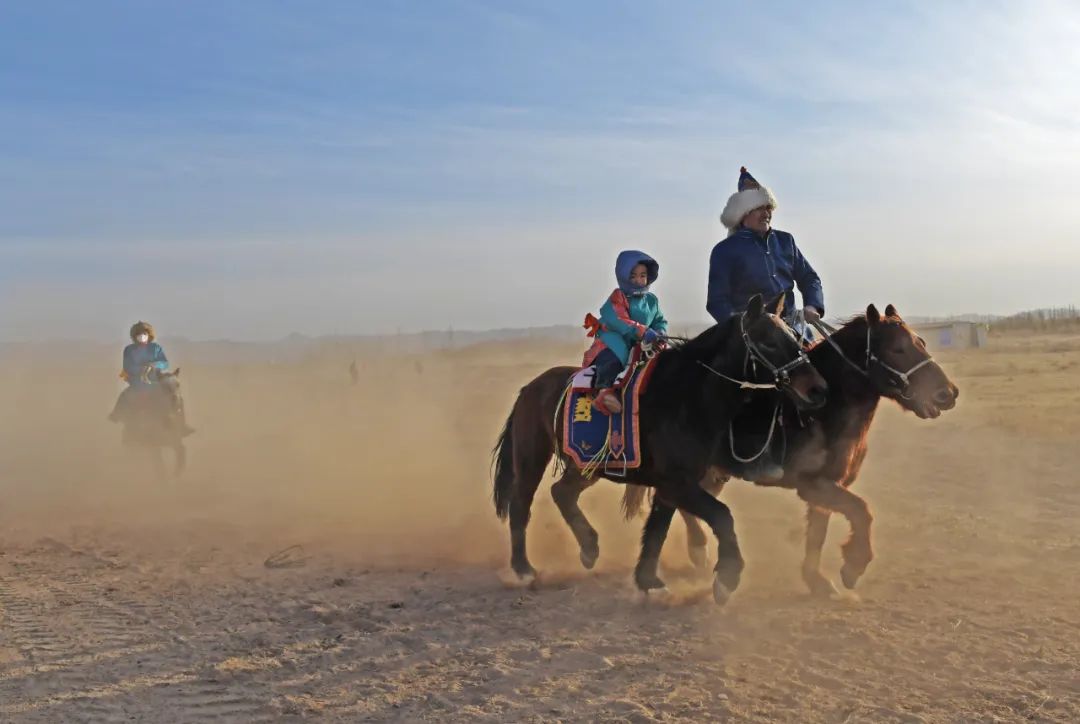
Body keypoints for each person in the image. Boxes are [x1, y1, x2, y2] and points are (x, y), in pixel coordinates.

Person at [708, 167, 826, 479]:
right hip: (750, 336)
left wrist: (813, 304)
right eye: (760, 208)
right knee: (764, 389)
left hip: (791, 328)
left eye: (768, 208)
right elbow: (716, 300)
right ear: (743, 214)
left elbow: (809, 277)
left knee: (828, 370)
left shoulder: (786, 242)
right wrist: (741, 329)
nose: (766, 213)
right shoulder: (725, 251)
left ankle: (827, 449)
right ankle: (758, 457)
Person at [582, 250, 668, 415]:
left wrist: (660, 331)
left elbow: (659, 319)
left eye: (642, 275)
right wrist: (643, 331)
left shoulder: (651, 300)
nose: (638, 280)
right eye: (633, 276)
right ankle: (604, 393)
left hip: (642, 343)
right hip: (614, 339)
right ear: (623, 277)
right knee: (612, 358)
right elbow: (618, 319)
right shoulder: (618, 296)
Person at [108, 321, 194, 435]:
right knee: (125, 395)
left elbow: (164, 363)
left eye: (144, 333)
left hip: (156, 381)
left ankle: (182, 425)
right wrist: (141, 369)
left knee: (177, 397)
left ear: (149, 334)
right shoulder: (129, 350)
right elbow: (127, 367)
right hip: (137, 383)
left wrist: (153, 365)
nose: (142, 336)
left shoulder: (156, 348)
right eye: (139, 333)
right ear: (134, 336)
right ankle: (119, 417)